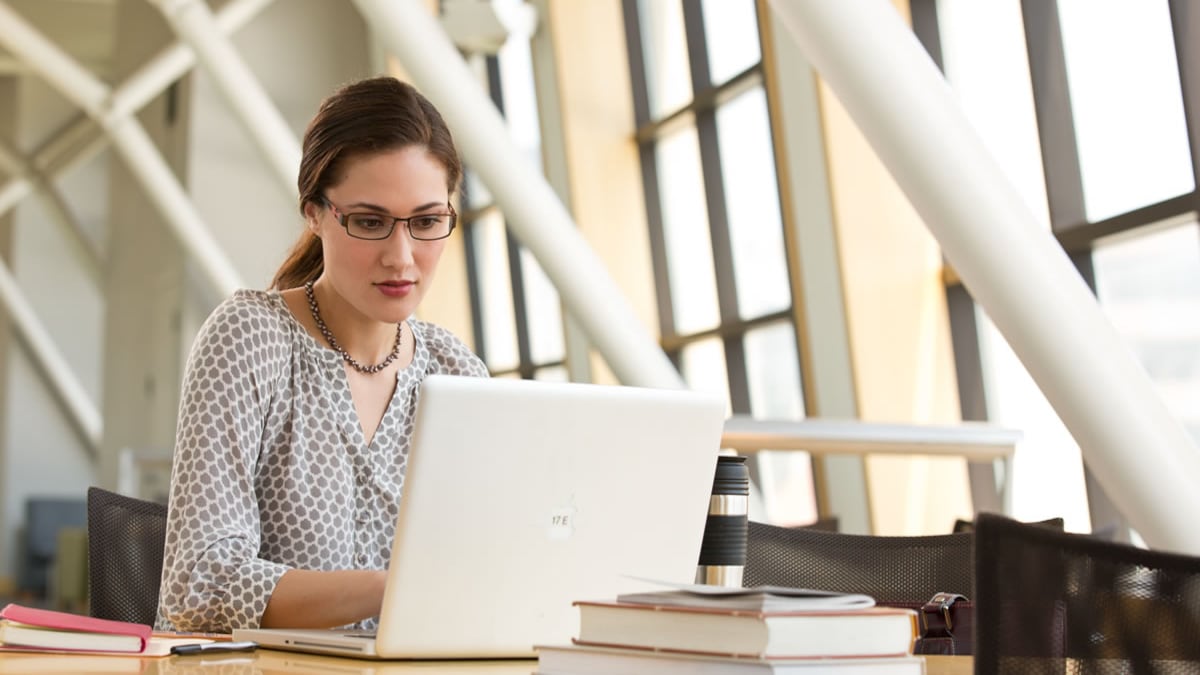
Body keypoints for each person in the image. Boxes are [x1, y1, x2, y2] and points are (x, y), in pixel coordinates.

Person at [155, 76, 489, 633]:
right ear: (314, 212)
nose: (401, 257)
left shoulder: (458, 375)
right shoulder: (250, 339)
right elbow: (199, 585)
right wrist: (393, 588)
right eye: (370, 222)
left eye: (427, 222)